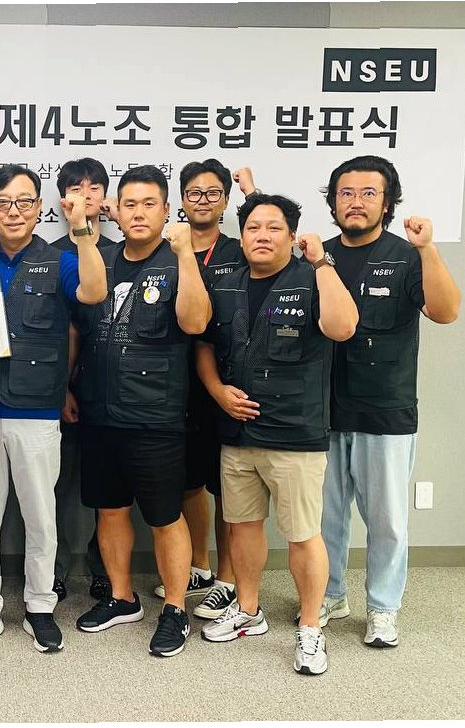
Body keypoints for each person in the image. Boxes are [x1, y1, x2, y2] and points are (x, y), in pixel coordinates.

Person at [0, 165, 106, 654]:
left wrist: (82, 231)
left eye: (24, 202)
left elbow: (95, 292)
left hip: (36, 410)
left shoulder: (60, 260)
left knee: (40, 515)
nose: (14, 212)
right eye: (3, 203)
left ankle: (39, 606)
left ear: (39, 208)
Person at [195, 193, 357, 676]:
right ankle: (248, 610)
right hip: (237, 432)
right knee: (242, 526)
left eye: (273, 228)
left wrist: (322, 262)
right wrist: (217, 391)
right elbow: (204, 346)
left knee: (303, 535)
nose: (261, 236)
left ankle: (310, 627)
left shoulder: (313, 278)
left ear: (291, 235)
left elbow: (343, 328)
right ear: (241, 235)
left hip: (294, 434)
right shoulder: (225, 283)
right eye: (253, 228)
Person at [311, 155, 461, 648]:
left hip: (386, 410)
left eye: (368, 193)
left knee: (388, 521)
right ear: (333, 202)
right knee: (325, 519)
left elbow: (446, 311)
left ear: (388, 202)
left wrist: (428, 249)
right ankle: (330, 594)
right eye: (346, 193)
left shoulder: (407, 255)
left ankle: (382, 608)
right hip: (323, 410)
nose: (356, 202)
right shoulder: (317, 258)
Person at [72, 165, 211, 658]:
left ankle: (174, 609)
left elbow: (195, 322)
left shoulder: (178, 261)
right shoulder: (102, 258)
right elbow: (81, 323)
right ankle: (122, 597)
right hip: (100, 413)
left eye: (149, 204)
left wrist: (186, 255)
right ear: (116, 208)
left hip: (155, 416)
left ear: (167, 210)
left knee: (165, 517)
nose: (138, 213)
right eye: (129, 203)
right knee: (109, 511)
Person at [149, 159, 250, 619]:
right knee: (188, 481)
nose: (203, 201)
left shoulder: (239, 250)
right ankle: (200, 566)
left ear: (225, 201)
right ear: (181, 201)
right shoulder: (169, 247)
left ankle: (227, 580)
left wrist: (253, 192)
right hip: (176, 382)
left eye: (212, 193)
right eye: (194, 193)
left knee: (227, 487)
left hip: (227, 382)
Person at [50, 157, 118, 602]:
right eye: (77, 188)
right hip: (60, 387)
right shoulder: (49, 252)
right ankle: (53, 570)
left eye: (95, 187)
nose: (86, 195)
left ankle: (103, 568)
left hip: (111, 387)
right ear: (62, 199)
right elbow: (58, 329)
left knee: (106, 488)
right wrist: (61, 388)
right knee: (54, 487)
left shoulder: (121, 250)